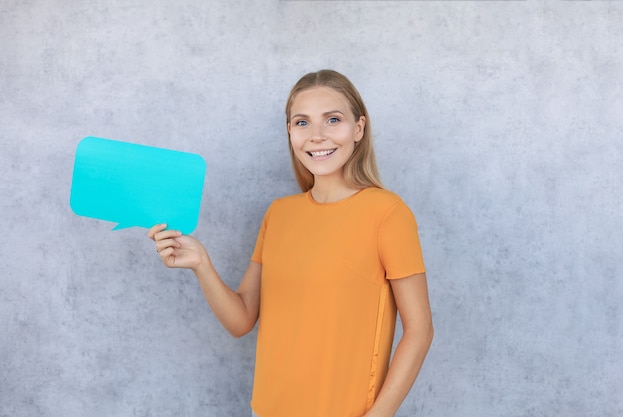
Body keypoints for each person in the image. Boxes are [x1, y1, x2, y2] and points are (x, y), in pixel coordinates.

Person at [148, 69, 434, 417]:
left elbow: (419, 331)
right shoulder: (279, 214)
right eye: (302, 123)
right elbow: (241, 321)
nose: (317, 136)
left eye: (332, 119)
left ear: (358, 128)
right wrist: (201, 265)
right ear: (289, 132)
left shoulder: (387, 213)